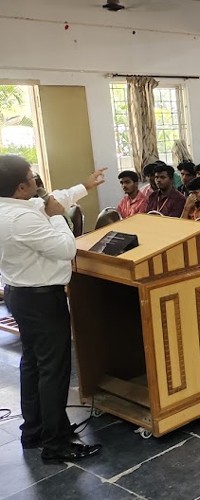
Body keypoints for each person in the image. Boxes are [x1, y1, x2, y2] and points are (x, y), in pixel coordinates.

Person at [0, 155, 104, 462]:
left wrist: (84, 186)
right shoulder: (23, 219)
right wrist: (59, 217)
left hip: (18, 295)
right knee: (53, 371)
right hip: (42, 300)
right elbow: (66, 248)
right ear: (21, 187)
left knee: (32, 364)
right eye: (33, 178)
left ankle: (33, 430)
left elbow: (51, 198)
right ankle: (57, 443)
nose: (38, 182)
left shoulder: (12, 207)